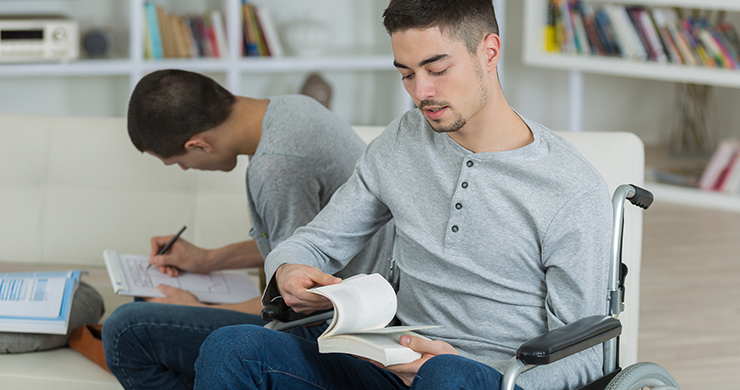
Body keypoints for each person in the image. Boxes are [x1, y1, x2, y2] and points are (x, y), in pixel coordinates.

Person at [192, 0, 615, 389]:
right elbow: (318, 240)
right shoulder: (402, 140)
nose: (420, 93)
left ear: (489, 51)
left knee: (446, 374)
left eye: (437, 69)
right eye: (407, 73)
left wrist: (491, 378)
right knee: (232, 347)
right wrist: (287, 267)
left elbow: (585, 355)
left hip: (489, 379)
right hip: (388, 364)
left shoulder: (570, 188)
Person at [101, 69, 394, 390]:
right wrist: (207, 260)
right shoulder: (292, 109)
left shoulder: (275, 166)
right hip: (346, 299)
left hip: (328, 324)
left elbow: (293, 300)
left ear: (199, 145)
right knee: (153, 310)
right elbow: (298, 240)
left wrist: (197, 307)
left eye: (178, 162)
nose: (185, 168)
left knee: (126, 331)